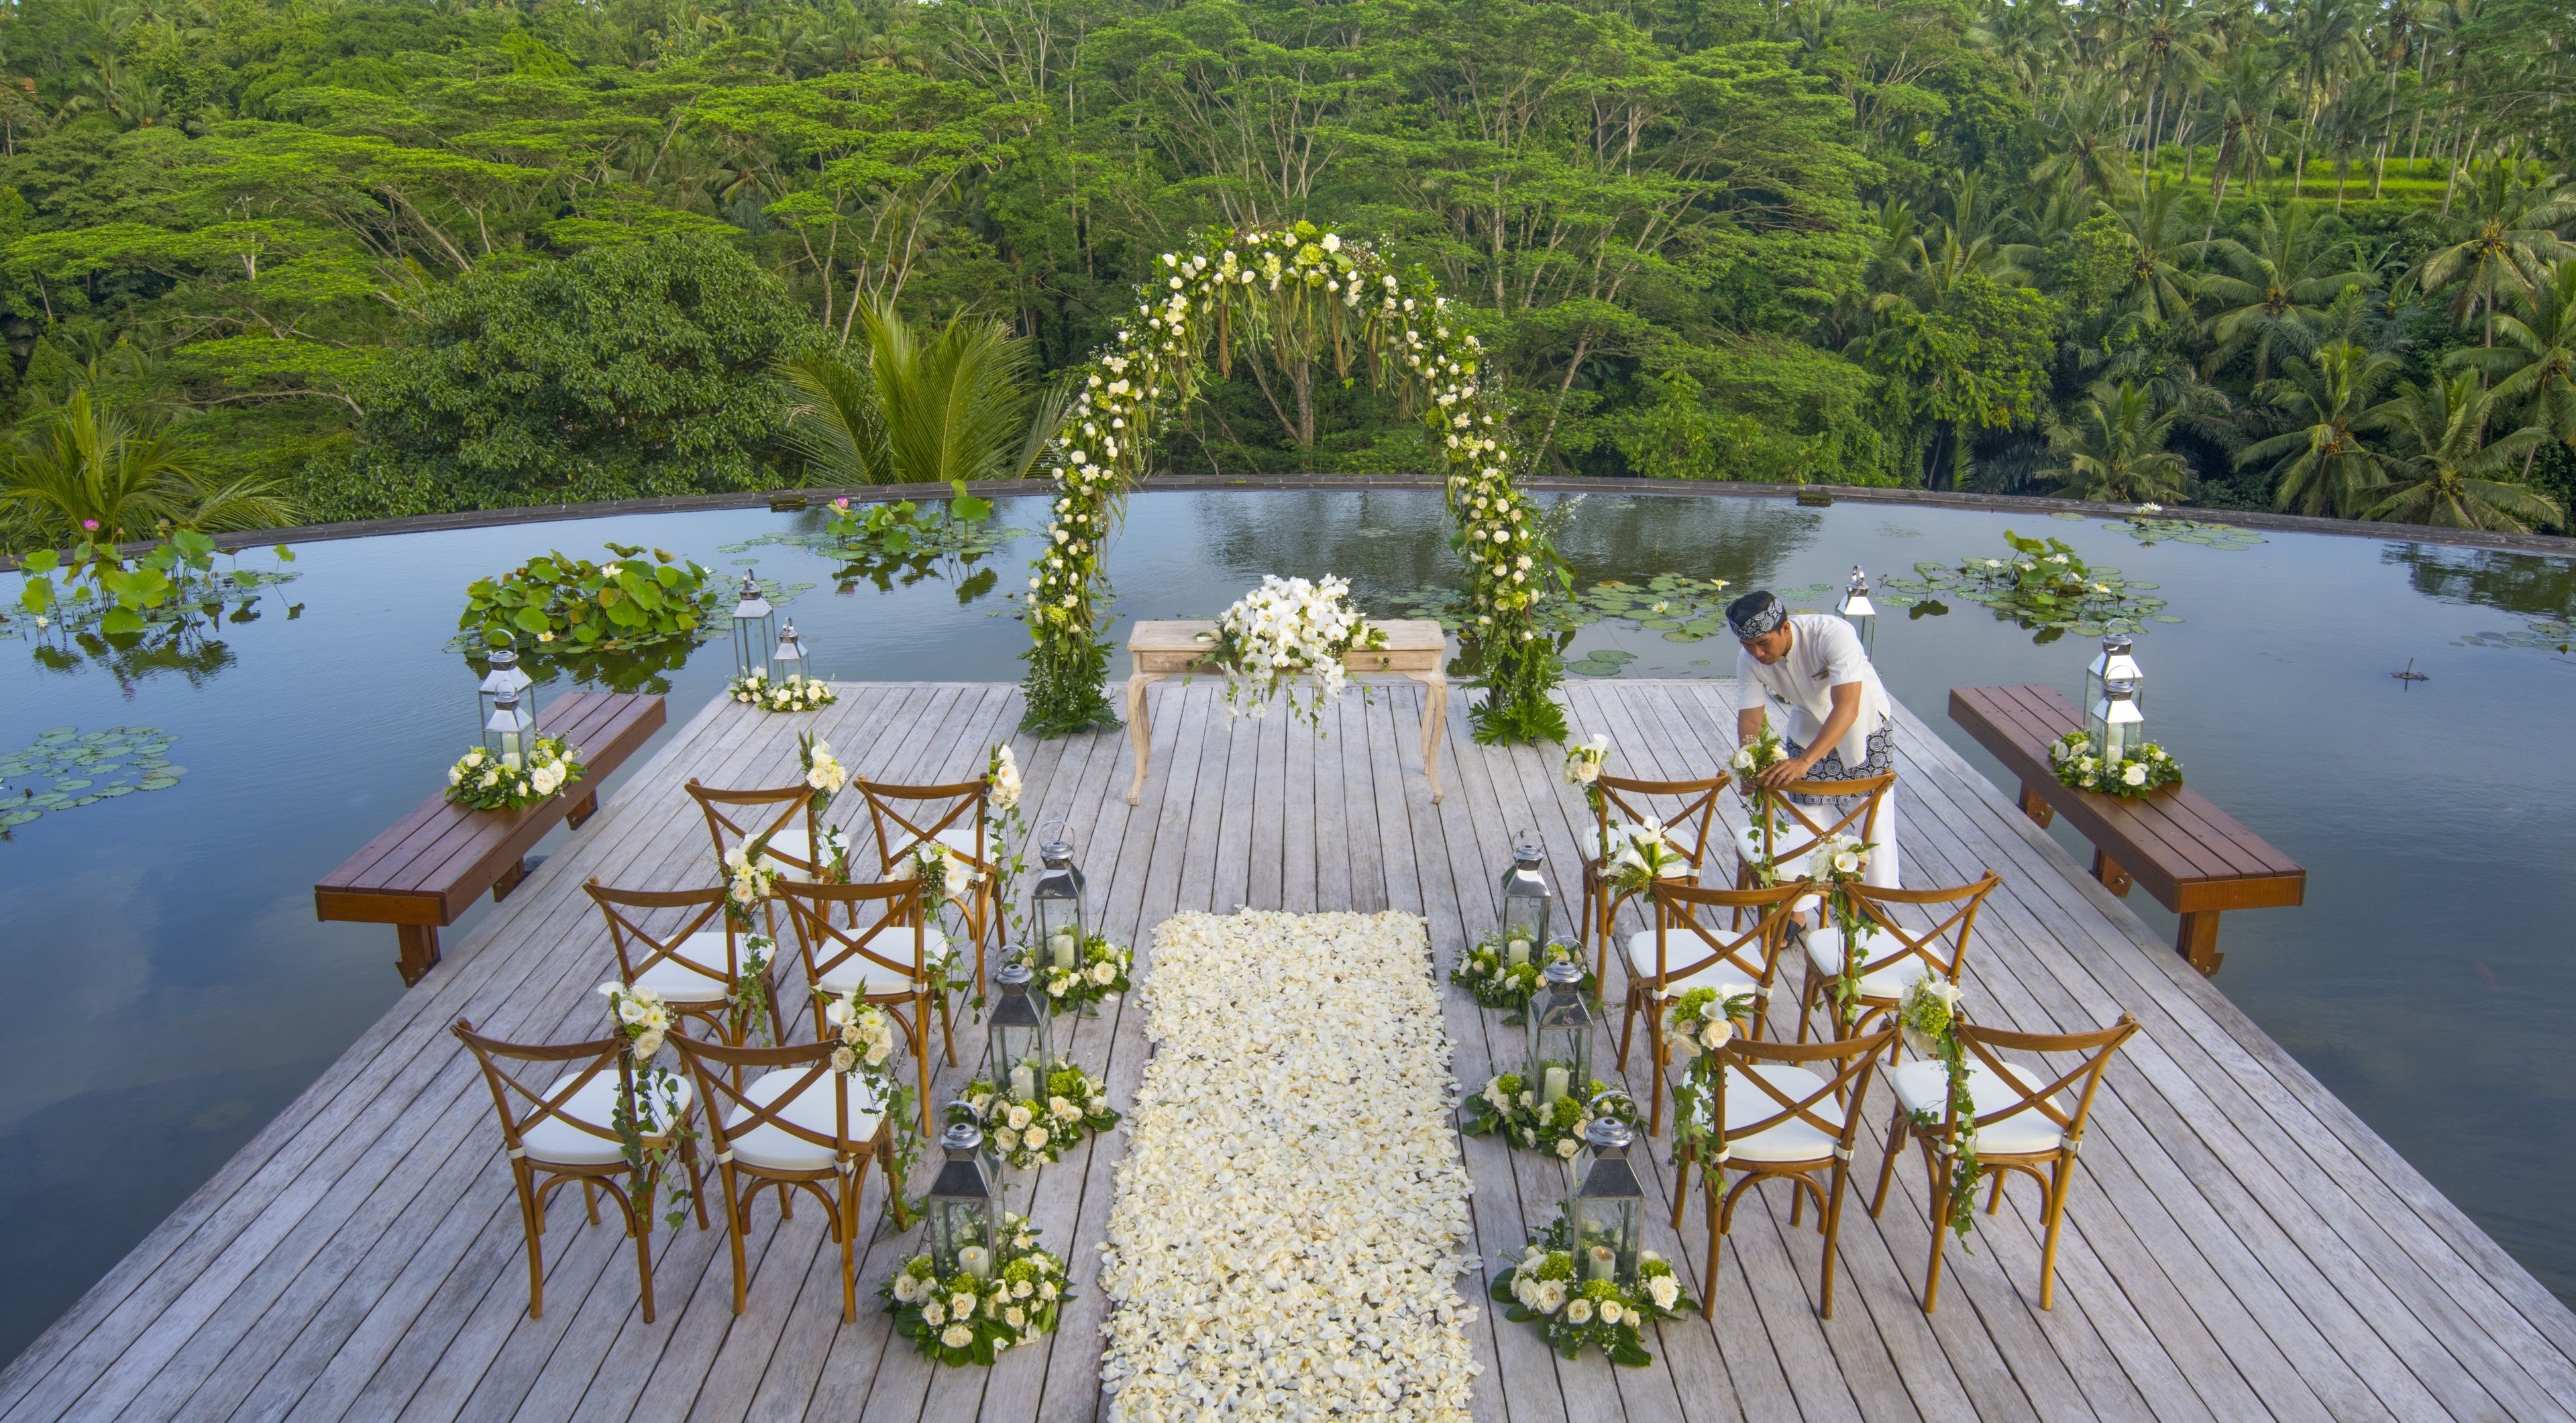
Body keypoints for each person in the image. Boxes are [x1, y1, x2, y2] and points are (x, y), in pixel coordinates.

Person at [1726, 589, 1899, 888]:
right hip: (1807, 725)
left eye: (1763, 644)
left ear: (1785, 627)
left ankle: (1877, 897)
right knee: (1805, 817)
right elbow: (1751, 719)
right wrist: (1751, 765)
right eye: (1748, 645)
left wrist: (1805, 761)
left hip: (1865, 722)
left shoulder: (1833, 633)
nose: (1757, 654)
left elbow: (1847, 706)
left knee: (1874, 816)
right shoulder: (1749, 660)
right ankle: (1801, 905)